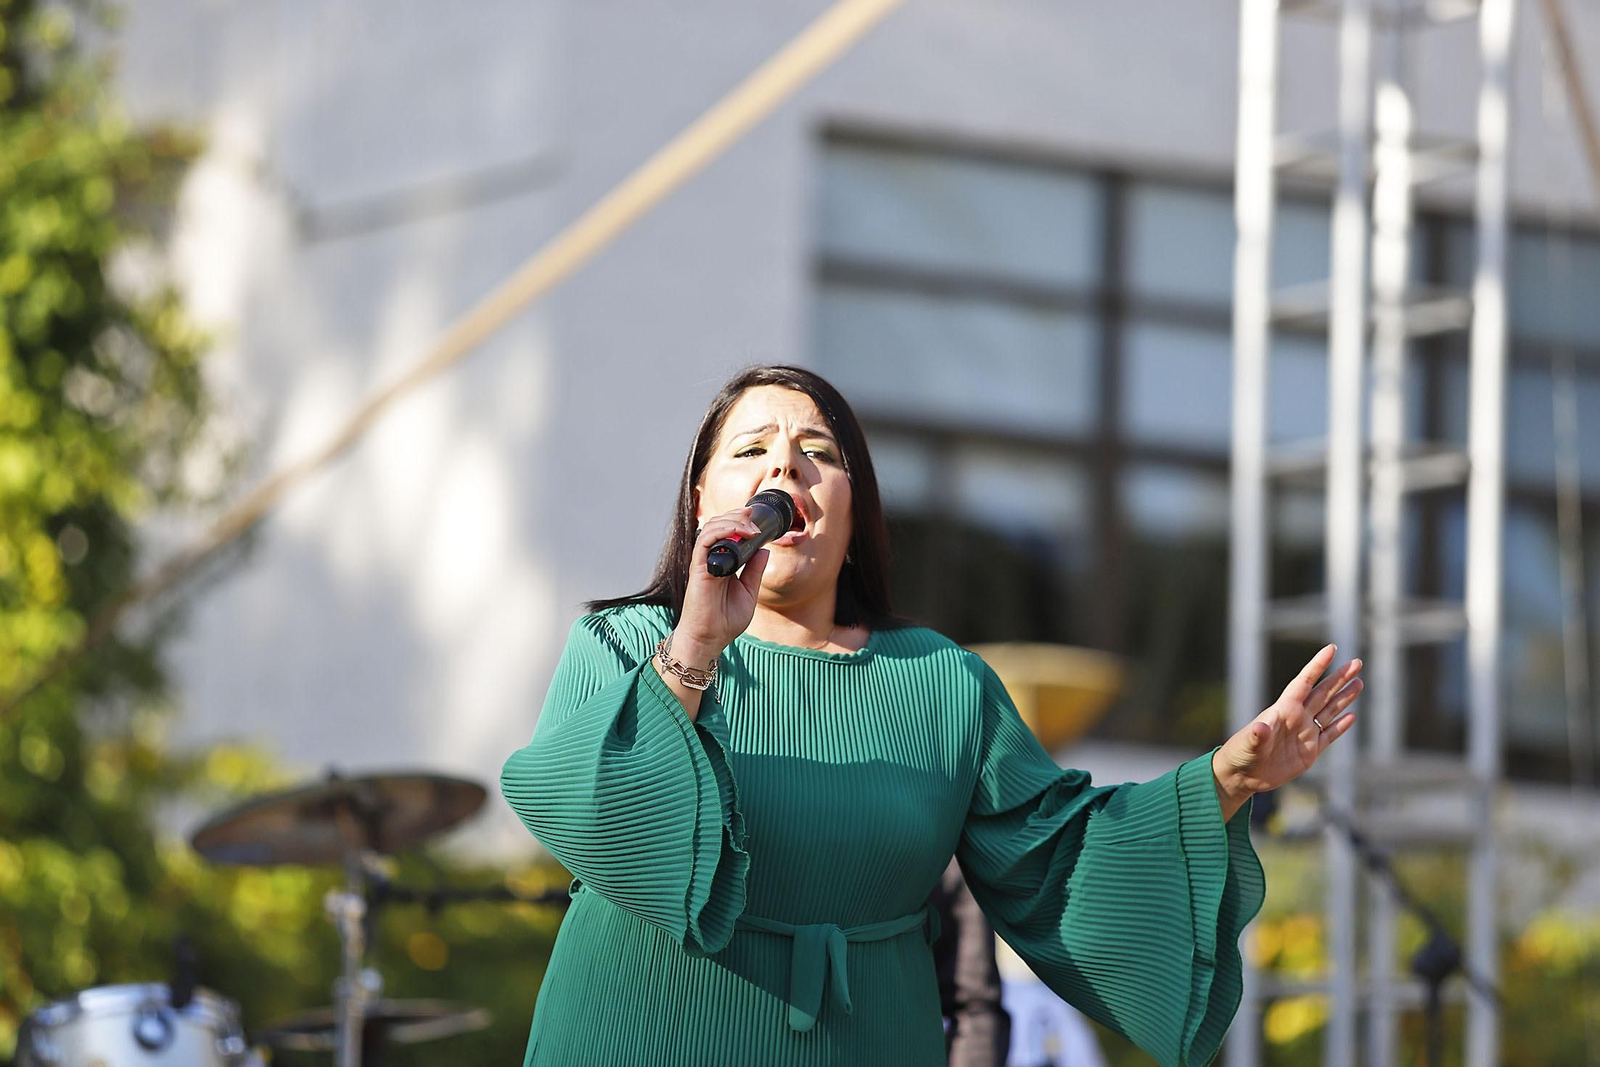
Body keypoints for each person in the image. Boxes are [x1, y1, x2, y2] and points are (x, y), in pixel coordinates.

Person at [501, 365, 1363, 1067]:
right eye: (752, 449)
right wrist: (697, 642)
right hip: (642, 1036)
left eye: (818, 452)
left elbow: (1059, 855)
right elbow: (593, 816)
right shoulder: (623, 642)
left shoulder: (944, 684)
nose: (784, 468)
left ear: (852, 506)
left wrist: (1230, 776)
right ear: (703, 503)